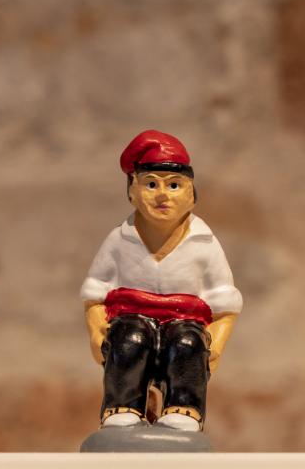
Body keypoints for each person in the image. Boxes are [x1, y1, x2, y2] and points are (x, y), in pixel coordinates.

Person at [81, 130, 242, 432]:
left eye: (174, 185)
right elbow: (95, 292)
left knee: (187, 344)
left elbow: (225, 303)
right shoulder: (119, 240)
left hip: (185, 322)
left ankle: (185, 407)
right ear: (132, 192)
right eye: (151, 184)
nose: (162, 195)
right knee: (128, 340)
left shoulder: (204, 243)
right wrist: (95, 330)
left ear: (191, 195)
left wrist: (217, 342)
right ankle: (123, 405)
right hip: (131, 319)